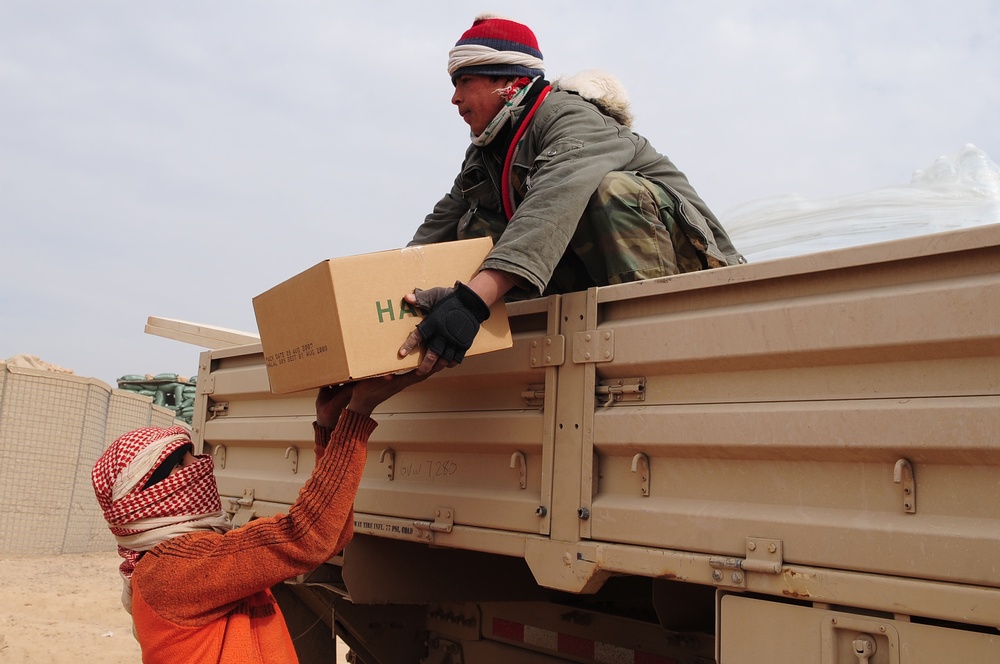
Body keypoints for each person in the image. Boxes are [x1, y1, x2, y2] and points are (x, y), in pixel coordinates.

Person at [399, 13, 745, 373]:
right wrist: (380, 299)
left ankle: (655, 348)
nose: (455, 98)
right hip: (597, 276)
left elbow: (549, 209)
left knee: (612, 192)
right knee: (472, 229)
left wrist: (469, 304)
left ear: (509, 81)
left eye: (465, 81)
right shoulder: (485, 154)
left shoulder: (570, 116)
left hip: (695, 275)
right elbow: (436, 230)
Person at [92, 369, 436, 663]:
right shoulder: (173, 570)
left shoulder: (187, 558)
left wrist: (329, 428)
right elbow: (306, 538)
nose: (202, 464)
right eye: (184, 463)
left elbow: (329, 537)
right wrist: (357, 414)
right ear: (157, 493)